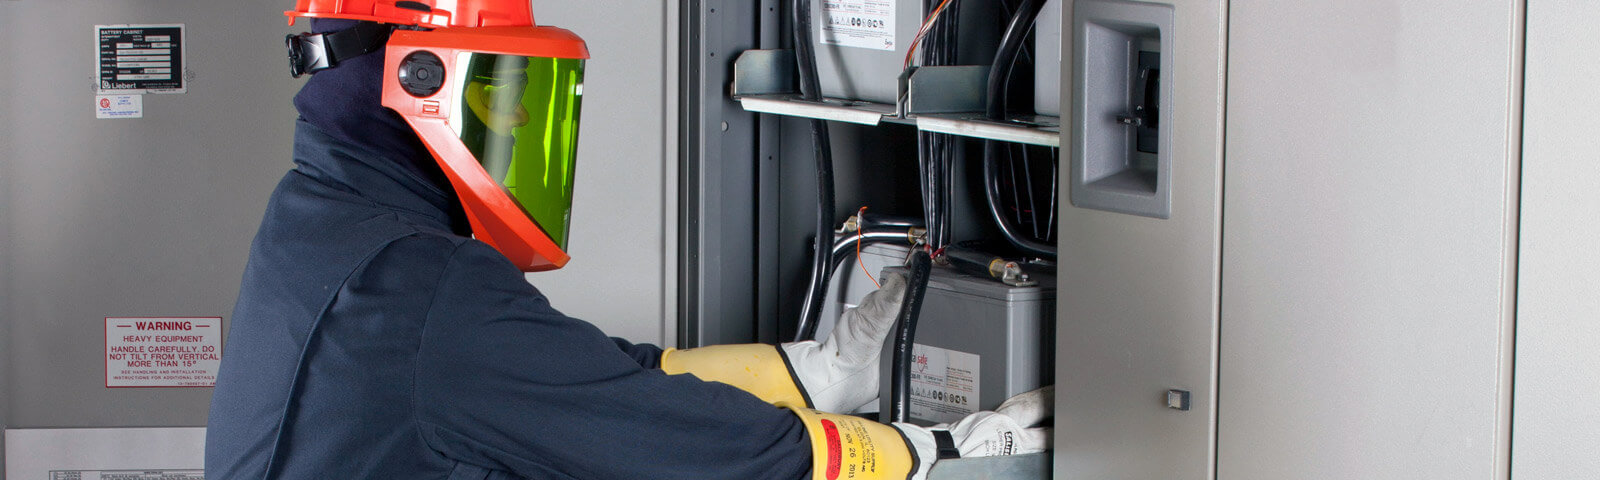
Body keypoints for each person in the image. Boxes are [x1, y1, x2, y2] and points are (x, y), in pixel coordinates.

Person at [205, 1, 1049, 478]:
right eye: (503, 93)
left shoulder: (323, 220)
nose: (521, 119)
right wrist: (927, 453)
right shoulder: (418, 286)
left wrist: (815, 373)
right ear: (416, 79)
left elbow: (593, 379)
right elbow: (671, 443)